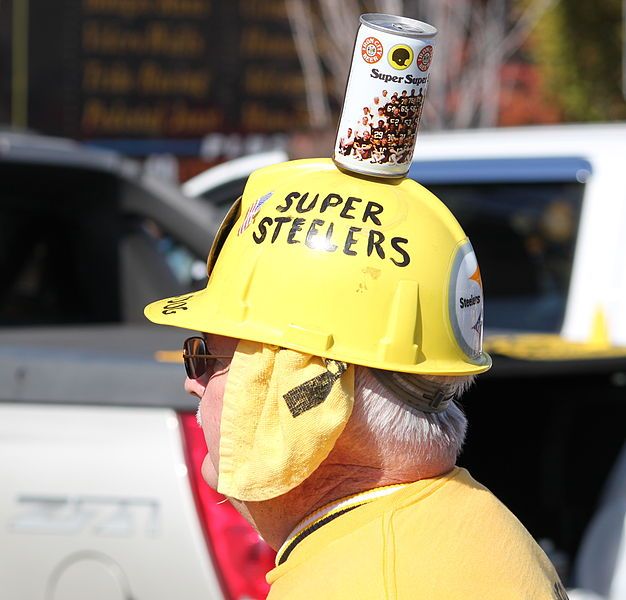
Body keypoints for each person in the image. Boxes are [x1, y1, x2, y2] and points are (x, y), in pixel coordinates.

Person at [145, 158, 568, 599]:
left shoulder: (356, 583)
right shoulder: (470, 525)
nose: (192, 383)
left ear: (304, 390)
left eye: (206, 358)